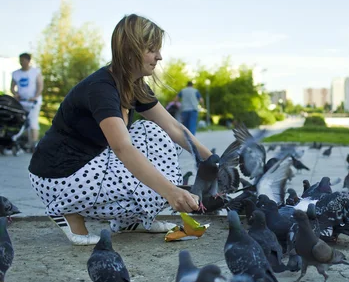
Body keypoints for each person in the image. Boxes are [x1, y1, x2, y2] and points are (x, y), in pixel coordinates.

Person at [28, 14, 211, 246]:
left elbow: (173, 126)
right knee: (154, 181)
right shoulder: (101, 88)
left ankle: (130, 220)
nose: (159, 56)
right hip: (59, 175)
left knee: (152, 133)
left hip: (91, 163)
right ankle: (66, 210)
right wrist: (171, 192)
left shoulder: (134, 85)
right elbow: (122, 147)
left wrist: (213, 160)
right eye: (152, 49)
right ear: (130, 49)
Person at [11, 53, 43, 150]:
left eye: (23, 60)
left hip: (33, 102)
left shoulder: (35, 72)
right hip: (21, 101)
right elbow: (12, 87)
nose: (21, 62)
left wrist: (35, 96)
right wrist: (15, 94)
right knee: (22, 122)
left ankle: (34, 144)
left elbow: (40, 86)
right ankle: (25, 142)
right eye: (20, 60)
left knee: (33, 121)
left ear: (28, 61)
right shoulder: (16, 73)